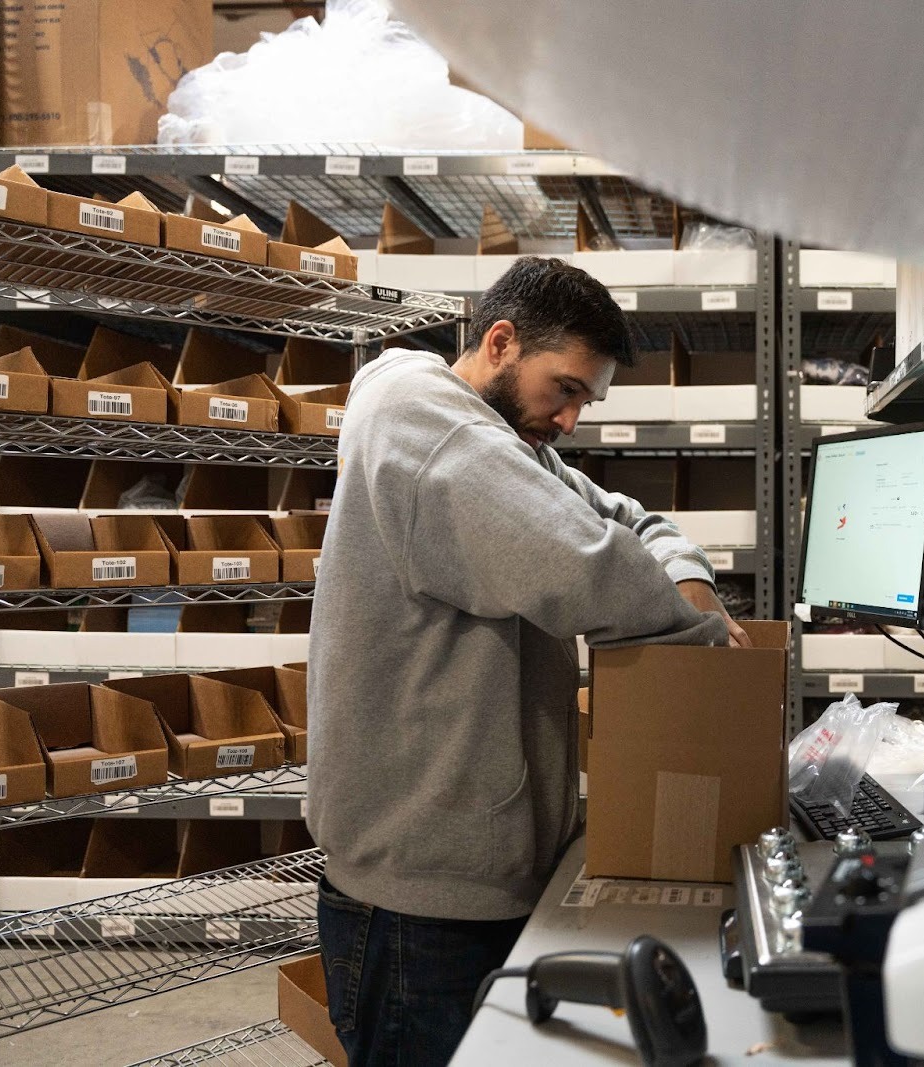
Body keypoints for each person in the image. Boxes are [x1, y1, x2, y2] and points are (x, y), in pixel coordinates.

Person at [305, 256, 748, 1066]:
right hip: (420, 904)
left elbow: (624, 518)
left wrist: (688, 577)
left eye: (586, 398)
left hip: (470, 874)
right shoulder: (429, 431)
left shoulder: (501, 440)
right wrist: (705, 638)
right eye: (566, 388)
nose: (572, 418)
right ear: (502, 341)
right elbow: (585, 566)